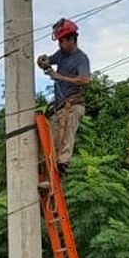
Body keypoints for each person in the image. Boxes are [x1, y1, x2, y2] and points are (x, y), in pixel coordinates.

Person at [36, 17, 90, 179]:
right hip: (59, 108)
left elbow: (85, 79)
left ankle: (62, 165)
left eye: (62, 41)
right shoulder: (61, 54)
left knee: (66, 138)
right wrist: (43, 61)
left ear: (71, 40)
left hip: (73, 105)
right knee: (50, 142)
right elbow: (47, 62)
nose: (59, 45)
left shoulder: (81, 58)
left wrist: (59, 77)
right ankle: (47, 173)